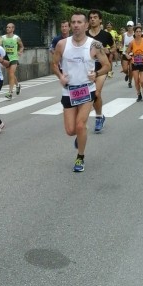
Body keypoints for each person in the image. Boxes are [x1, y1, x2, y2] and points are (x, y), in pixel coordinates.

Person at [52, 11, 110, 172]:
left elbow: (107, 65)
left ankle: (80, 157)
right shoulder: (62, 44)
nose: (76, 25)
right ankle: (79, 136)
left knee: (80, 125)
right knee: (71, 130)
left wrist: (96, 74)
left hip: (86, 90)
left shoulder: (95, 45)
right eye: (73, 22)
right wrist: (60, 76)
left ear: (85, 25)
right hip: (68, 91)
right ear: (70, 25)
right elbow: (54, 64)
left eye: (79, 22)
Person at [87, 10, 115, 133]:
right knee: (87, 95)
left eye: (95, 17)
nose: (93, 19)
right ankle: (98, 116)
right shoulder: (84, 34)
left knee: (96, 94)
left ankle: (98, 118)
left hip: (101, 68)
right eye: (91, 17)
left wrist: (108, 51)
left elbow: (114, 47)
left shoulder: (106, 35)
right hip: (87, 68)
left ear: (100, 20)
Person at [0, 22, 24, 99]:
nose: (7, 28)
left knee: (11, 73)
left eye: (9, 27)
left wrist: (20, 51)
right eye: (7, 27)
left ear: (13, 29)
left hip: (14, 58)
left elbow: (22, 46)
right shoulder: (3, 38)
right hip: (6, 58)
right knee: (11, 74)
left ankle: (10, 93)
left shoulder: (16, 38)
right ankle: (17, 85)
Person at [127, 25, 143, 101]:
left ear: (141, 32)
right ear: (134, 33)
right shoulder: (131, 42)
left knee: (142, 80)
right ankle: (139, 94)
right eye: (137, 31)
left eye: (140, 31)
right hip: (135, 63)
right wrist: (129, 57)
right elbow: (127, 52)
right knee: (136, 80)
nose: (138, 33)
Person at [121, 21, 135, 88]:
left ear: (133, 27)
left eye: (131, 26)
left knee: (131, 68)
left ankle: (130, 82)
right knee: (125, 69)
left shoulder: (135, 34)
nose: (129, 27)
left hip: (133, 54)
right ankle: (127, 74)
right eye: (128, 26)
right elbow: (122, 43)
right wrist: (121, 49)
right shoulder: (124, 34)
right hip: (125, 53)